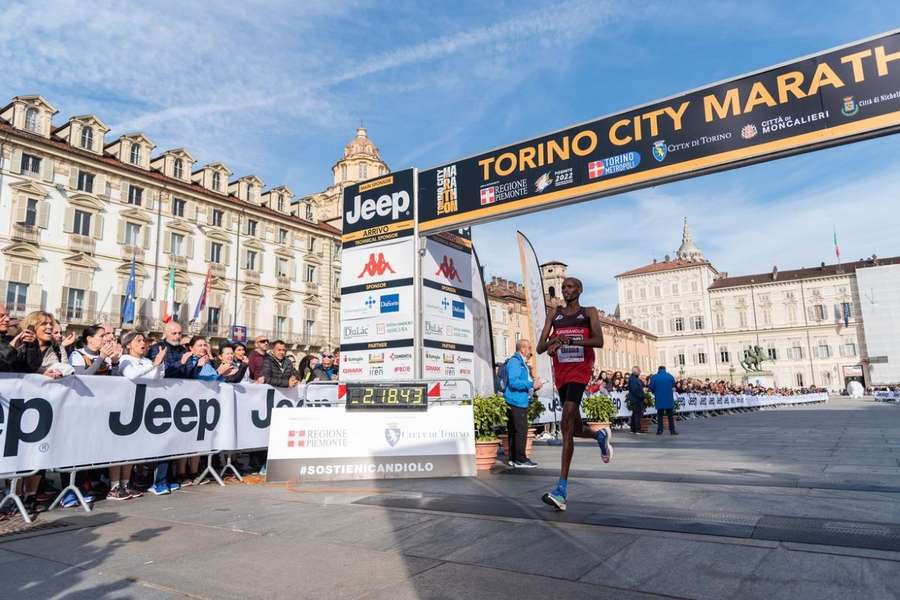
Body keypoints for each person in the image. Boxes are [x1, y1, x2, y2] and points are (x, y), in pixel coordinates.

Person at [537, 277, 610, 512]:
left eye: (570, 287)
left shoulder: (589, 312)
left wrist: (574, 341)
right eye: (563, 287)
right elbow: (540, 347)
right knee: (574, 428)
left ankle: (561, 489)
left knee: (567, 415)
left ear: (579, 290)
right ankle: (600, 436)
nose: (566, 290)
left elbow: (598, 340)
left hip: (580, 371)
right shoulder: (554, 314)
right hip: (562, 373)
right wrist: (555, 341)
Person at [502, 339, 541, 468]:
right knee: (520, 431)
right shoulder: (515, 362)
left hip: (516, 400)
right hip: (516, 401)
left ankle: (514, 459)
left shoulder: (518, 362)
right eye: (529, 348)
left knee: (514, 430)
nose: (530, 352)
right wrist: (531, 384)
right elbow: (513, 382)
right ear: (522, 349)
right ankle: (520, 459)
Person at [649, 366, 678, 435]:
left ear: (658, 370)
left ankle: (660, 430)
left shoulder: (654, 377)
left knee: (660, 415)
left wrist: (654, 391)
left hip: (659, 398)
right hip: (668, 398)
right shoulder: (670, 376)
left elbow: (651, 387)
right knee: (670, 415)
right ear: (665, 369)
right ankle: (672, 430)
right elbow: (673, 385)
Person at [627, 366, 646, 434]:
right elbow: (636, 390)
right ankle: (637, 429)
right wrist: (643, 397)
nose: (640, 372)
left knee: (635, 414)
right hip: (636, 399)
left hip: (635, 399)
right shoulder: (633, 379)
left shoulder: (633, 379)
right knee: (637, 414)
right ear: (636, 371)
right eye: (639, 371)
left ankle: (633, 429)